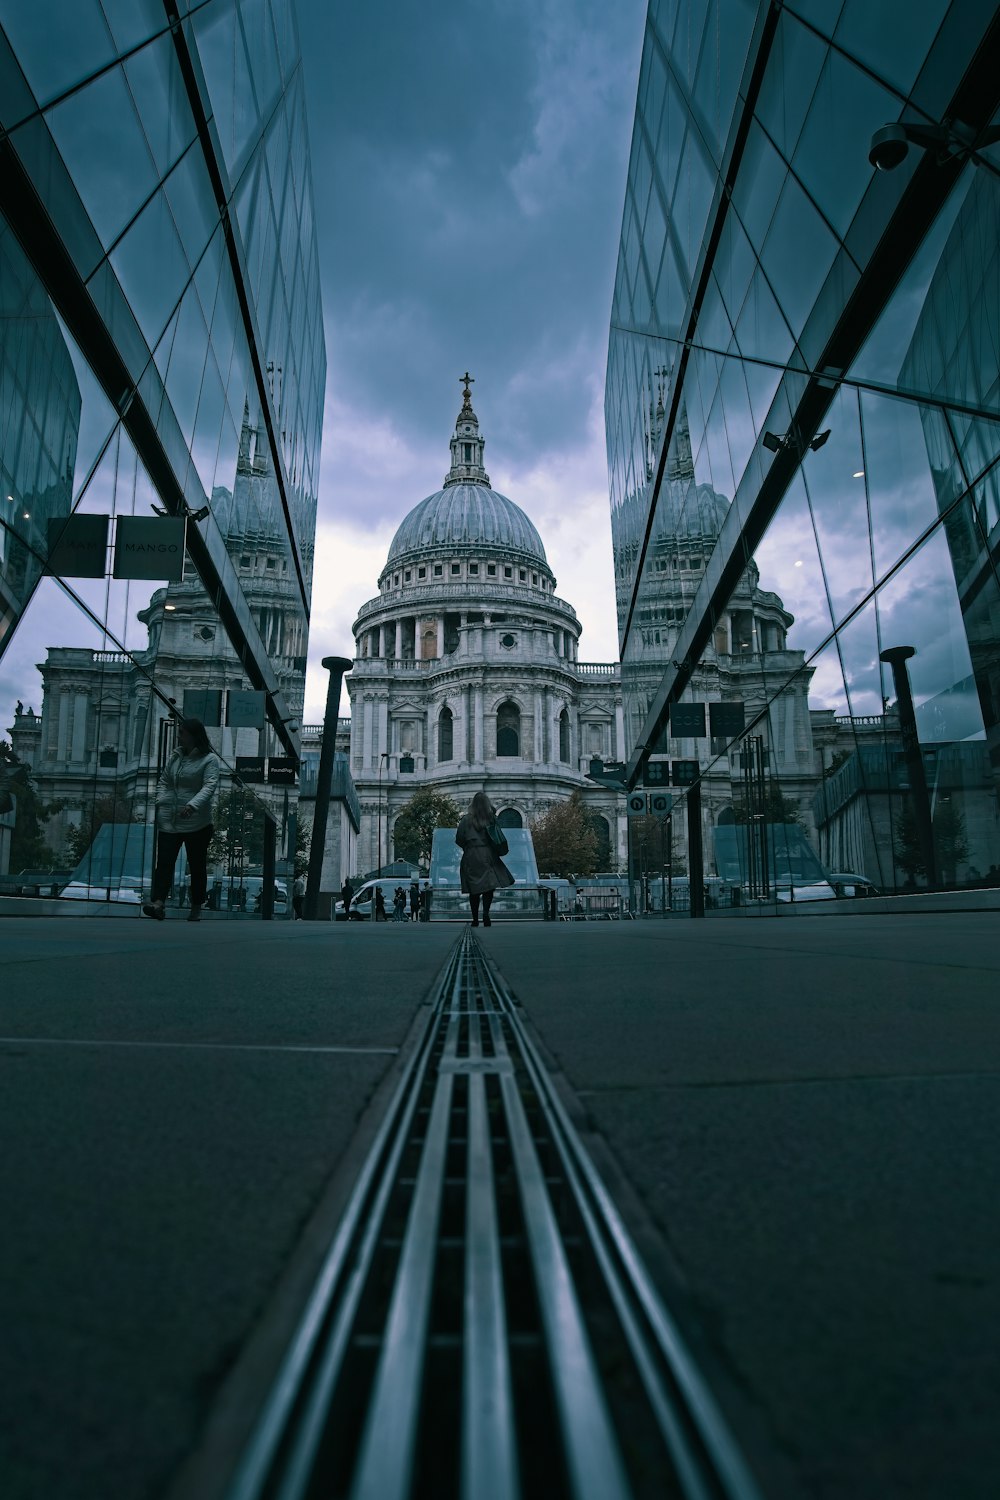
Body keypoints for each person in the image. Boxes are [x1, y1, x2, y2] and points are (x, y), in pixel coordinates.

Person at [142, 718, 221, 924]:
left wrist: (192, 805)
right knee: (164, 863)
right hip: (170, 819)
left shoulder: (209, 760)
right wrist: (161, 801)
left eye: (182, 733)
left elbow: (209, 786)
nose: (178, 737)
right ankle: (158, 903)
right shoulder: (175, 757)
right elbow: (165, 781)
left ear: (194, 736)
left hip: (197, 822)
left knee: (197, 865)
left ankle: (196, 907)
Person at [455, 791, 514, 927]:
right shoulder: (491, 819)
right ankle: (486, 913)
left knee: (473, 888)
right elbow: (497, 836)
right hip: (488, 853)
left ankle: (475, 919)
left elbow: (459, 839)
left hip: (471, 854)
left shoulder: (465, 820)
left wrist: (468, 847)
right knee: (489, 886)